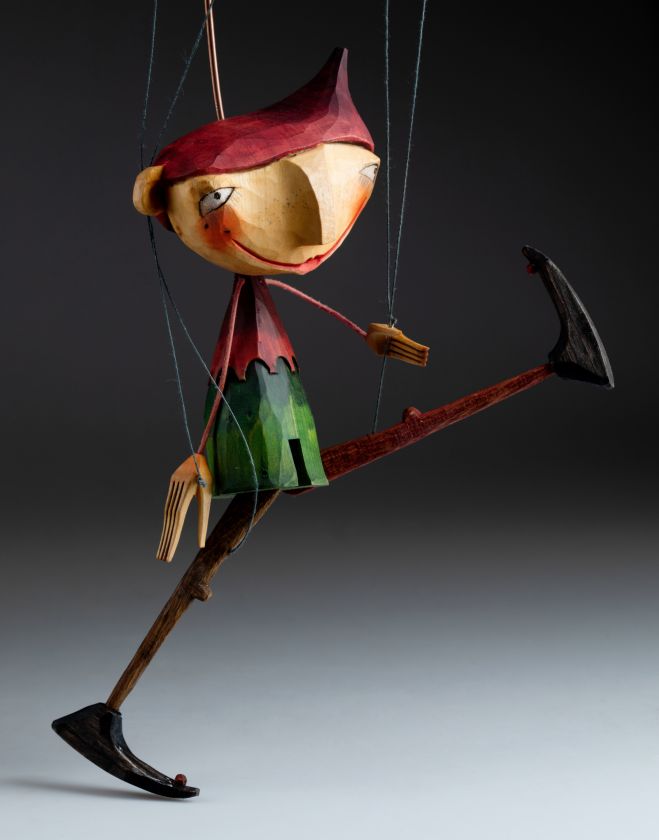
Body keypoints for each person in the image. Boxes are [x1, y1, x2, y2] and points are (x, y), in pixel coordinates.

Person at [132, 48, 428, 561]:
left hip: (274, 396)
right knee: (248, 408)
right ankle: (243, 467)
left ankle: (281, 464)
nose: (316, 228)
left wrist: (371, 336)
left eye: (361, 176)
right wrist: (202, 455)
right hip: (241, 416)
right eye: (220, 198)